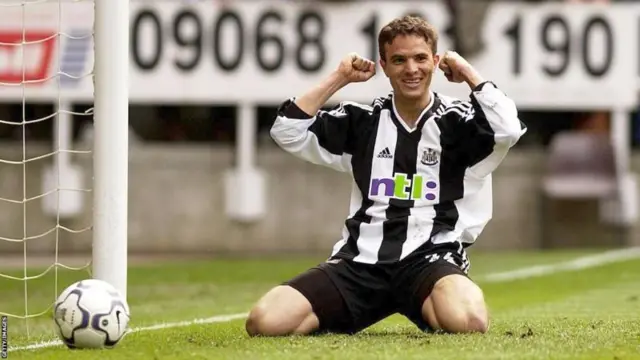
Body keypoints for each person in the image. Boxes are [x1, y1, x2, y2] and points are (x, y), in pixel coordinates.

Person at [246, 15, 526, 336]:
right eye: (399, 60)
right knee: (265, 323)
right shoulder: (362, 120)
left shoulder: (457, 122)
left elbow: (508, 128)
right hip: (360, 262)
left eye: (421, 58)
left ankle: (420, 303)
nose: (411, 69)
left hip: (430, 260)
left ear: (435, 61)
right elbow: (286, 129)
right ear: (384, 65)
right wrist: (340, 78)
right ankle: (347, 310)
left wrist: (467, 74)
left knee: (468, 321)